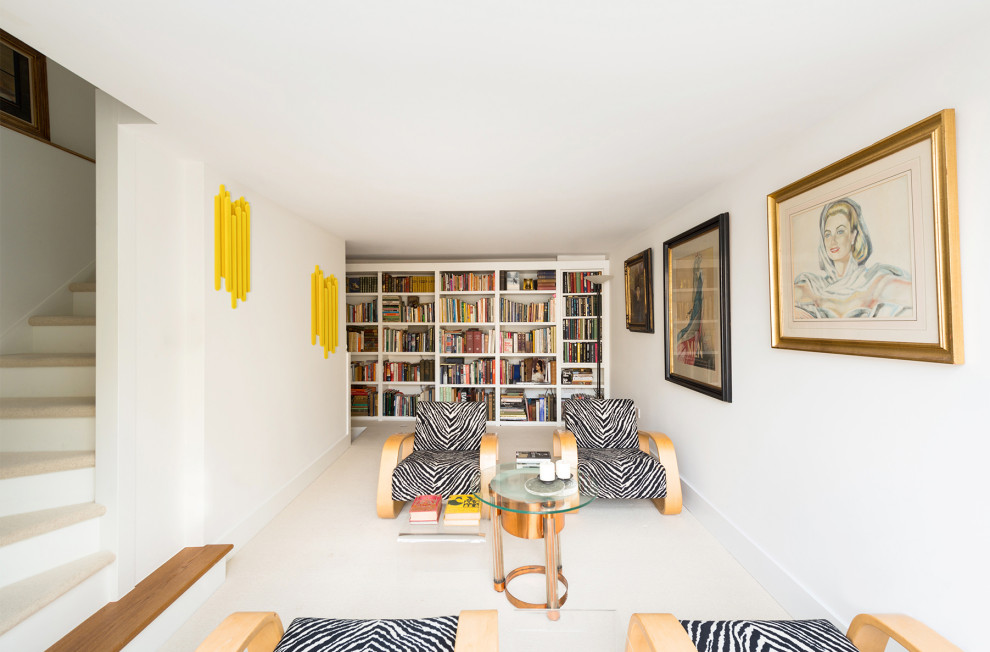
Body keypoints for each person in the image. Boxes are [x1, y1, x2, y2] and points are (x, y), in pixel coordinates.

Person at [793, 198, 913, 319]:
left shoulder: (874, 280)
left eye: (840, 231)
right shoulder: (813, 285)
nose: (832, 240)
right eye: (828, 234)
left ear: (853, 236)